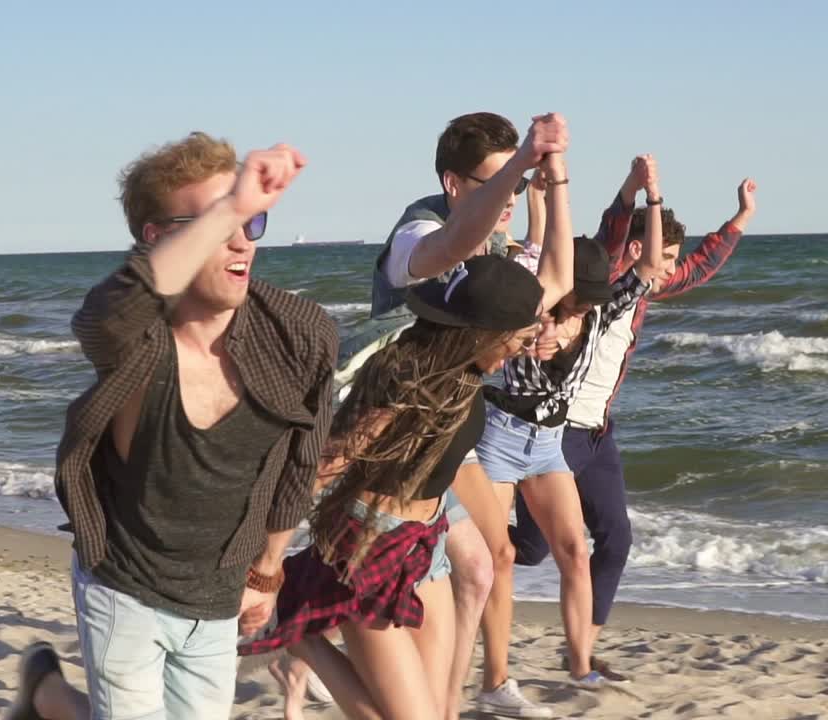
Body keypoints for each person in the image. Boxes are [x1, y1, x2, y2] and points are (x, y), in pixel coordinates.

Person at [5, 133, 338, 720]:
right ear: (159, 238)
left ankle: (45, 696)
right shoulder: (135, 338)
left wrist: (265, 573)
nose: (240, 242)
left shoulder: (298, 333)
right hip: (122, 583)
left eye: (252, 223)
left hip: (219, 593)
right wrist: (233, 203)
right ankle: (46, 694)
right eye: (216, 223)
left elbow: (301, 459)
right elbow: (107, 311)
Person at [308, 111, 567, 719]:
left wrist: (554, 182)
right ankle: (300, 628)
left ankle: (454, 698)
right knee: (468, 563)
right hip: (385, 434)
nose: (509, 197)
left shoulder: (496, 238)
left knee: (483, 562)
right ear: (455, 185)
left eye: (515, 181)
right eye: (497, 182)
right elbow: (447, 248)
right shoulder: (415, 230)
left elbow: (548, 281)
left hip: (441, 433)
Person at [244, 254, 546, 720]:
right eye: (515, 337)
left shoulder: (464, 375)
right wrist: (265, 568)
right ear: (482, 329)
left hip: (426, 547)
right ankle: (302, 637)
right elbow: (325, 464)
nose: (520, 348)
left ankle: (302, 636)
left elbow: (447, 463)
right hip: (368, 550)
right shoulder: (408, 378)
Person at [510, 175, 759, 682]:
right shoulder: (599, 280)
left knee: (615, 541)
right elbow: (613, 231)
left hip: (597, 435)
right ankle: (451, 545)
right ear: (641, 248)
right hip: (554, 432)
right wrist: (634, 190)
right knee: (532, 551)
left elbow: (696, 269)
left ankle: (581, 651)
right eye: (664, 258)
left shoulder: (640, 293)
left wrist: (741, 219)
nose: (669, 271)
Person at [471, 155, 670, 713]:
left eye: (581, 304)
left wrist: (650, 195)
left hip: (548, 443)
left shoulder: (604, 313)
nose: (573, 312)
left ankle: (580, 665)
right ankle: (495, 681)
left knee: (573, 552)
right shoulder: (531, 309)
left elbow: (651, 266)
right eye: (571, 303)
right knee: (500, 560)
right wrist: (521, 340)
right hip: (501, 437)